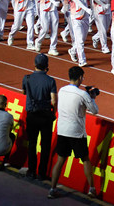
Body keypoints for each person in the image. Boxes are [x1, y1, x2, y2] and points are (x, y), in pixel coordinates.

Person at [48, 66, 99, 199]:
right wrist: (92, 98)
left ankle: (52, 189)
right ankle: (92, 189)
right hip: (76, 132)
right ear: (80, 78)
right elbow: (94, 111)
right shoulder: (82, 94)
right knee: (86, 160)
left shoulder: (62, 90)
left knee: (60, 160)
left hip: (62, 130)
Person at [21, 53, 58, 180]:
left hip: (32, 115)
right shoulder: (51, 81)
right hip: (46, 116)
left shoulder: (26, 78)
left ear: (34, 64)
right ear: (47, 66)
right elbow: (53, 100)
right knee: (45, 146)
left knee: (32, 143)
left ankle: (31, 170)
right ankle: (42, 173)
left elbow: (24, 92)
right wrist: (53, 114)